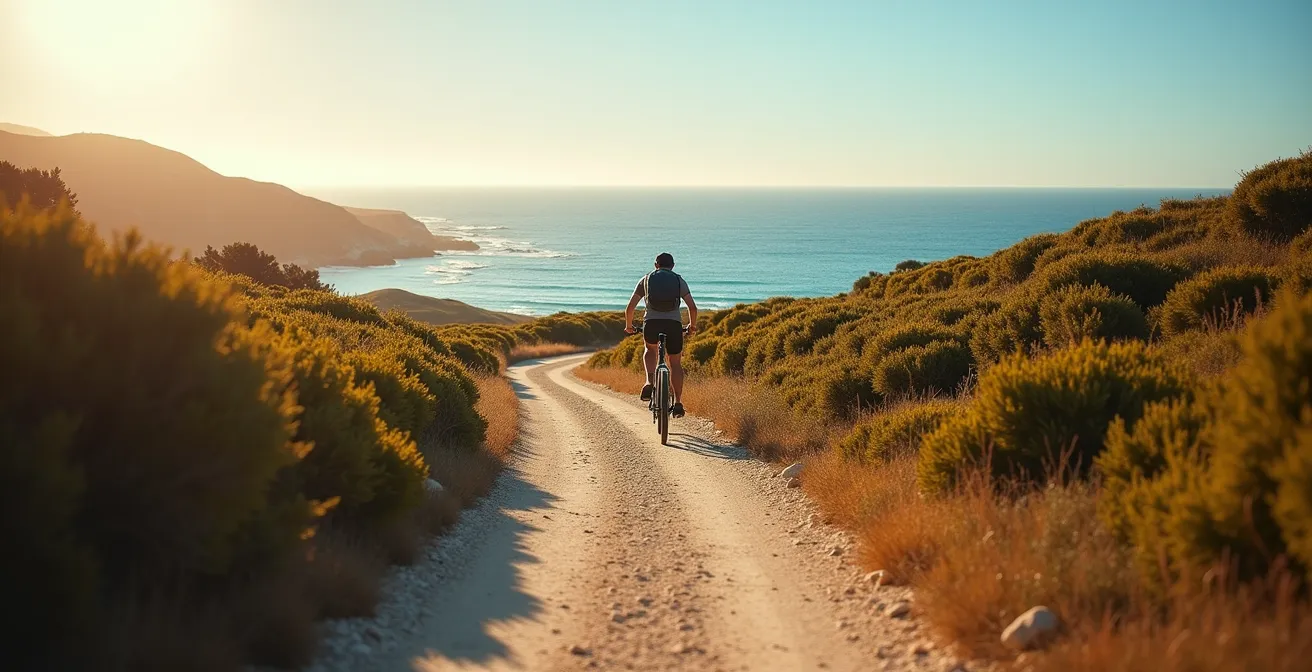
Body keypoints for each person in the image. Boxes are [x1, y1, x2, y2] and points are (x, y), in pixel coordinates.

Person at [624, 252, 697, 418]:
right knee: (675, 363)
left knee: (650, 350)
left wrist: (629, 326)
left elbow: (630, 307)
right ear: (672, 266)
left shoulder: (646, 280)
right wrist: (692, 327)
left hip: (651, 324)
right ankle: (678, 403)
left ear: (655, 265)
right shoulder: (679, 280)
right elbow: (692, 308)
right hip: (674, 326)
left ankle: (649, 382)